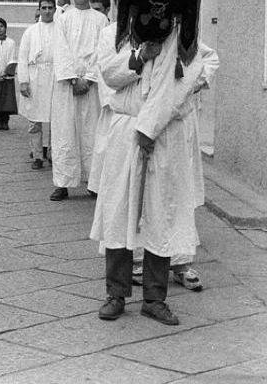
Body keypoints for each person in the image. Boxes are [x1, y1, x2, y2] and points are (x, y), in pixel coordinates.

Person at [90, 19, 219, 326]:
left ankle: (155, 298)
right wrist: (140, 56)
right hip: (125, 131)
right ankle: (116, 293)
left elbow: (197, 69)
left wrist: (156, 122)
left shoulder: (179, 35)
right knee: (119, 211)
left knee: (161, 214)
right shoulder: (114, 33)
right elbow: (109, 74)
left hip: (163, 134)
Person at [49, 0, 108, 201]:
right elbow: (60, 50)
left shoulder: (100, 20)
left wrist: (90, 77)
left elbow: (102, 51)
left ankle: (93, 183)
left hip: (91, 86)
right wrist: (73, 78)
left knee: (91, 132)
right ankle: (62, 183)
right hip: (67, 85)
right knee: (65, 132)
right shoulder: (62, 18)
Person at [18, 0, 57, 170]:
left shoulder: (60, 30)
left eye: (50, 7)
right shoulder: (31, 31)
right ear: (39, 10)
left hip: (53, 77)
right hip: (35, 77)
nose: (47, 11)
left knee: (55, 119)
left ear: (55, 9)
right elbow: (23, 57)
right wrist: (24, 81)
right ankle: (37, 154)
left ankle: (54, 154)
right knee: (34, 120)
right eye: (44, 8)